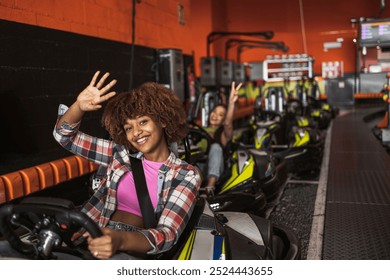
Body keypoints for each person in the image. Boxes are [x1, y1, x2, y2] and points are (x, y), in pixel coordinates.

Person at [11, 70, 201, 260]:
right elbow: (64, 137)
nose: (137, 132)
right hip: (87, 234)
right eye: (128, 127)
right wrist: (79, 106)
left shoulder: (185, 175)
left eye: (143, 121)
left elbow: (166, 235)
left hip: (130, 250)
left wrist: (120, 239)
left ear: (163, 121)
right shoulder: (120, 154)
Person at [199, 82, 242, 195]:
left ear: (223, 119)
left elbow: (228, 124)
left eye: (220, 115)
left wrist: (231, 103)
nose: (215, 115)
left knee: (216, 147)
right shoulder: (197, 130)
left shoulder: (222, 134)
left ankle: (210, 188)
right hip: (196, 168)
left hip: (214, 170)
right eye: (214, 112)